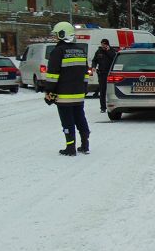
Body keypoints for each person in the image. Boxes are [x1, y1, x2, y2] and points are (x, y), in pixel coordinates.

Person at [43, 22, 90, 156]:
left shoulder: (57, 52)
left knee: (67, 121)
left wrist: (49, 92)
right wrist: (84, 89)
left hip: (63, 95)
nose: (55, 38)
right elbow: (86, 74)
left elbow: (52, 76)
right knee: (80, 118)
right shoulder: (81, 51)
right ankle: (85, 145)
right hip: (79, 94)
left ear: (62, 34)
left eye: (57, 35)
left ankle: (70, 148)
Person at [91, 38, 116, 113]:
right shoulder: (99, 51)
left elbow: (114, 58)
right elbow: (94, 60)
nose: (103, 46)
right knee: (102, 91)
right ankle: (103, 107)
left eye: (104, 44)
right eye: (102, 44)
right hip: (101, 74)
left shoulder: (111, 51)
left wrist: (108, 51)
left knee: (111, 90)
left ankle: (112, 105)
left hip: (110, 74)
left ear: (107, 44)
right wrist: (93, 66)